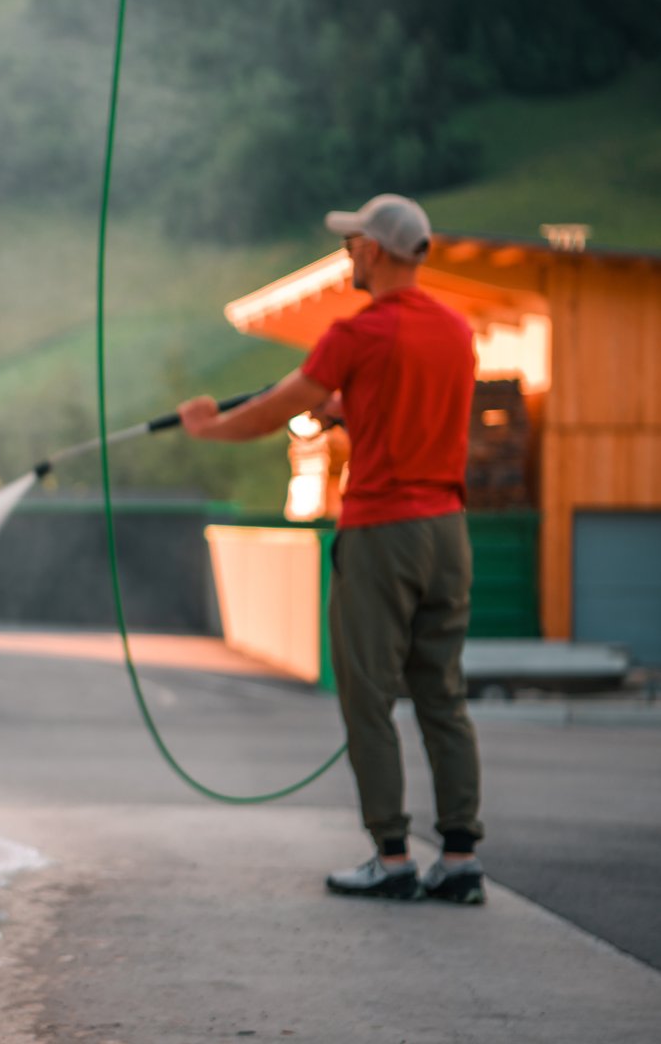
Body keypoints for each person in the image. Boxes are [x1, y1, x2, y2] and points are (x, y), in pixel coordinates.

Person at [177, 194, 485, 905]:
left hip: (382, 532)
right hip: (447, 532)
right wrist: (349, 409)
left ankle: (391, 855)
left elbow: (270, 410)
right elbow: (410, 407)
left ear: (374, 251)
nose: (348, 252)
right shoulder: (454, 331)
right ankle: (461, 858)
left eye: (353, 243)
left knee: (368, 696)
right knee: (441, 695)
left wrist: (206, 425)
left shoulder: (357, 332)